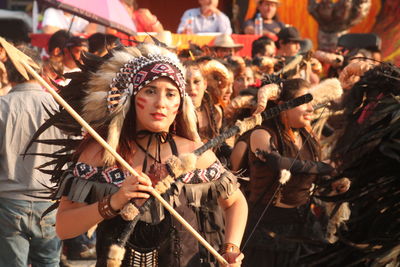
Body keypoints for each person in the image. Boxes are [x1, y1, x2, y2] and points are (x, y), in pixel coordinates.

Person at [38, 43, 247, 266]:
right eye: (150, 91)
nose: (161, 104)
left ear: (180, 103)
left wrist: (230, 249)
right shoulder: (101, 153)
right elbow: (64, 227)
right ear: (130, 96)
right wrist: (113, 202)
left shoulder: (194, 152)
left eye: (170, 94)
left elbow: (236, 202)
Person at [241, 78, 349, 267]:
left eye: (311, 102)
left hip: (302, 221)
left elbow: (307, 174)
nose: (310, 109)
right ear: (283, 106)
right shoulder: (261, 134)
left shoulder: (308, 136)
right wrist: (325, 167)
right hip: (266, 224)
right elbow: (279, 163)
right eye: (303, 102)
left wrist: (333, 181)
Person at [0, 45, 63, 267]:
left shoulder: (2, 107)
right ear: (40, 70)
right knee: (49, 263)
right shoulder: (60, 108)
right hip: (50, 204)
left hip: (9, 204)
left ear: (8, 71)